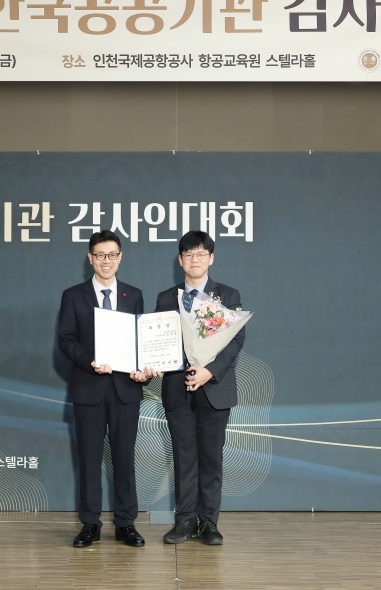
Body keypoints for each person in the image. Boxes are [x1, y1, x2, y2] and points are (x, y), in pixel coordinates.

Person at [57, 230, 149, 548]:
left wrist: (144, 369)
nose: (106, 261)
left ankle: (125, 524)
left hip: (125, 389)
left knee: (125, 460)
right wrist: (90, 361)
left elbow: (141, 341)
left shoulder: (134, 295)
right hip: (89, 388)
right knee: (89, 460)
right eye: (100, 255)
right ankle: (90, 524)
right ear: (90, 258)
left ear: (120, 257)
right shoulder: (73, 296)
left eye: (112, 255)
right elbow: (66, 339)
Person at [154, 230, 244, 545]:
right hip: (177, 390)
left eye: (201, 254)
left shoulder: (227, 295)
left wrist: (209, 372)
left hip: (215, 389)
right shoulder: (166, 298)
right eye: (189, 254)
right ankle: (184, 522)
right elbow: (159, 341)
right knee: (184, 457)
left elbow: (235, 341)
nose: (195, 259)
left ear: (211, 258)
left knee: (211, 458)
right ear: (180, 260)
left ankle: (208, 523)